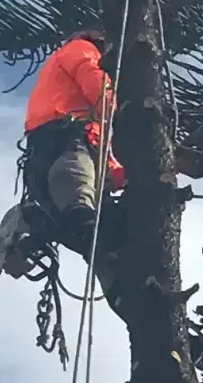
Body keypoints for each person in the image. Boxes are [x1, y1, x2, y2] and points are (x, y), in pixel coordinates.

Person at [21, 28, 126, 260]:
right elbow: (96, 86)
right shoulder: (81, 49)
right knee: (81, 209)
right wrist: (126, 116)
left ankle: (53, 228)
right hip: (66, 144)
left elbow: (106, 165)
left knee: (93, 229)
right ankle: (78, 223)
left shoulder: (95, 131)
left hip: (45, 158)